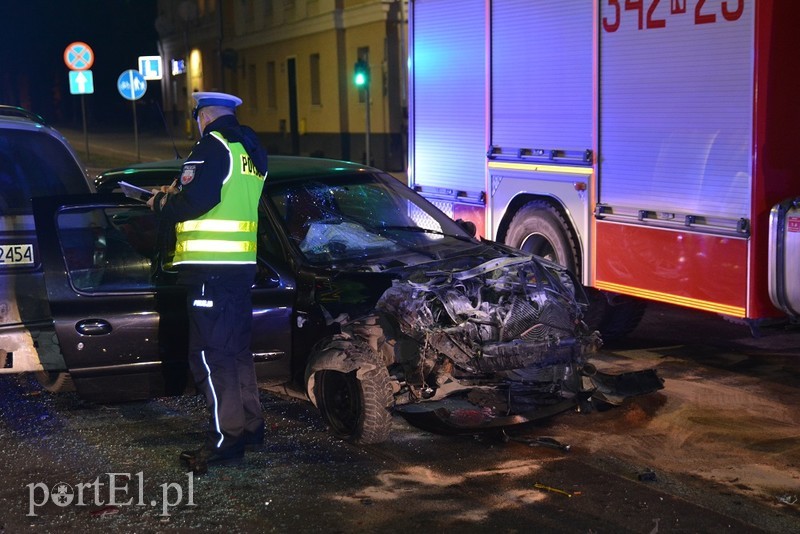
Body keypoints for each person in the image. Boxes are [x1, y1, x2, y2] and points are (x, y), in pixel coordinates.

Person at [147, 91, 269, 474]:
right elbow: (222, 197)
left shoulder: (212, 145)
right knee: (235, 353)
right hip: (238, 267)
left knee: (210, 357)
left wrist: (162, 203)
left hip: (210, 270)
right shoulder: (249, 148)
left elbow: (194, 201)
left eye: (197, 117)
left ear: (204, 116)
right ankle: (250, 426)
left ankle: (225, 440)